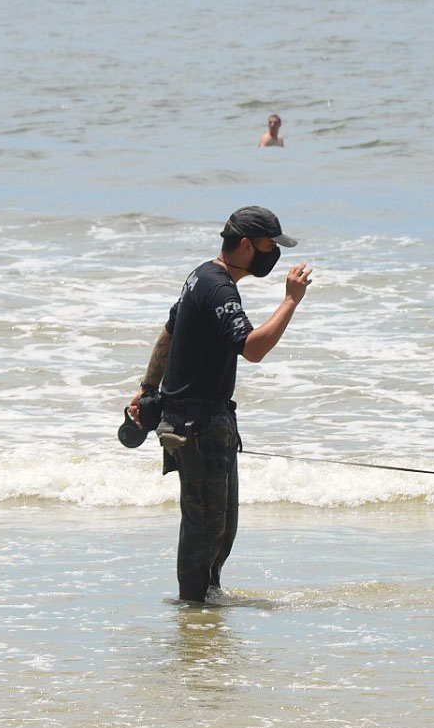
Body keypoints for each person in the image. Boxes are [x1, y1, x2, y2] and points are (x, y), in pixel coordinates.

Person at [130, 206, 312, 603]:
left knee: (221, 528)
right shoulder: (217, 287)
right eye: (269, 245)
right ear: (246, 246)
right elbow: (252, 349)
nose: (273, 253)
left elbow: (168, 332)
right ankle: (192, 612)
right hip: (197, 426)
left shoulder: (200, 275)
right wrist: (290, 301)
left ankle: (205, 607)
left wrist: (147, 388)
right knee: (204, 530)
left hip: (203, 421)